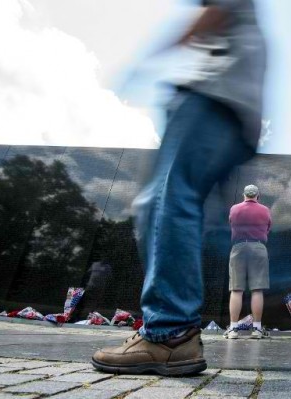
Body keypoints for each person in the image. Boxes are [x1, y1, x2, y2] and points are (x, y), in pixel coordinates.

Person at [92, 0, 267, 375]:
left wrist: (147, 58)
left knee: (165, 201)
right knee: (174, 204)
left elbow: (211, 14)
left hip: (214, 97)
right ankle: (175, 331)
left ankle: (169, 333)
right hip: (236, 108)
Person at [223, 184, 271, 339]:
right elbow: (268, 227)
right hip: (258, 247)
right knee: (257, 289)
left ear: (244, 195)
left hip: (238, 248)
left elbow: (231, 224)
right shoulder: (265, 210)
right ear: (258, 196)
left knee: (236, 289)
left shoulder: (234, 209)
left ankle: (233, 330)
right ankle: (257, 329)